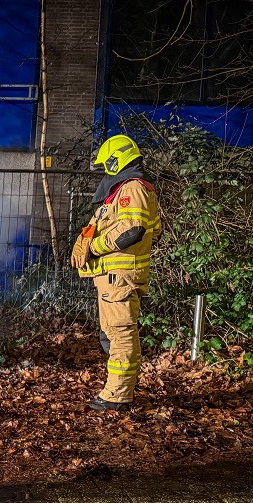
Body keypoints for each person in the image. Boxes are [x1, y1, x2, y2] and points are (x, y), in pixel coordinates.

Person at [71, 134, 161, 413]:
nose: (104, 171)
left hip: (119, 278)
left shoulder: (133, 188)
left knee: (120, 335)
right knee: (111, 334)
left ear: (115, 160)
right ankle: (122, 388)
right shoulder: (127, 190)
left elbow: (132, 231)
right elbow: (154, 231)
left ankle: (117, 396)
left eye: (105, 165)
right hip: (115, 277)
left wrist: (94, 247)